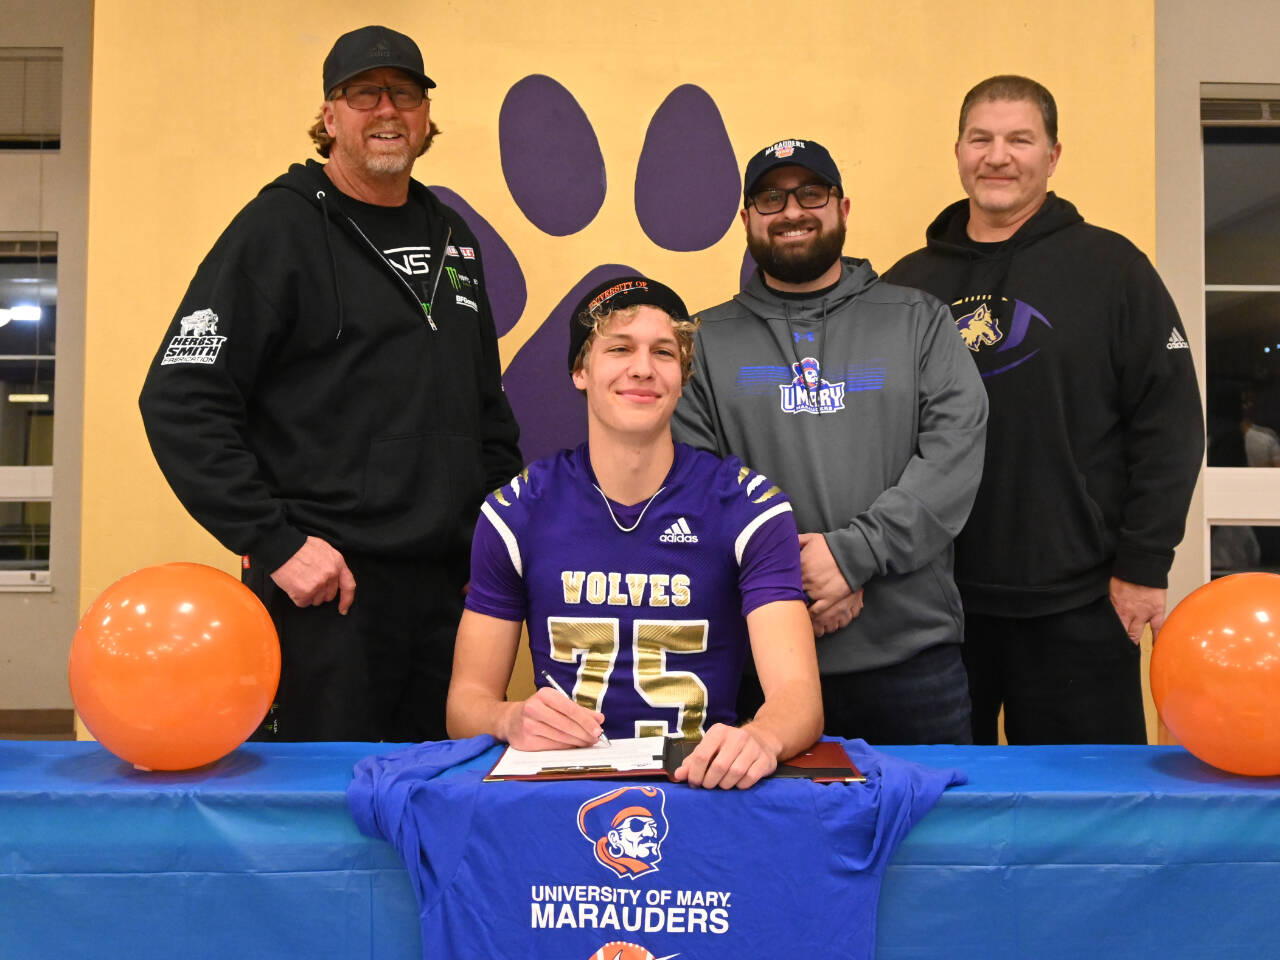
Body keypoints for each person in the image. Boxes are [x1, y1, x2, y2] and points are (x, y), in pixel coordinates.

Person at [139, 25, 522, 743]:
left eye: (405, 93)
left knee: (435, 804)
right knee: (326, 817)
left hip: (447, 597)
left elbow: (487, 414)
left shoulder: (455, 238)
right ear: (329, 115)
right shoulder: (276, 229)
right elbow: (181, 398)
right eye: (363, 93)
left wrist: (490, 543)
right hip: (327, 597)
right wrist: (275, 543)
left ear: (426, 116)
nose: (387, 110)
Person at [885, 75, 1204, 745]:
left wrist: (1144, 567)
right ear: (958, 151)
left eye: (1019, 139)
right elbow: (874, 439)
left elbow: (1169, 425)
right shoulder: (907, 286)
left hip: (1082, 602)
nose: (998, 156)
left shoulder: (1115, 270)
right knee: (940, 818)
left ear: (1053, 155)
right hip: (936, 606)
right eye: (982, 139)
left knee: (1090, 822)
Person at [446, 276, 823, 788]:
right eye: (620, 348)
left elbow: (798, 697)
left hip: (704, 784)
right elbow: (466, 702)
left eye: (664, 352)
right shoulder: (519, 510)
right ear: (581, 369)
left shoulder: (747, 508)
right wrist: (508, 719)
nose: (642, 368)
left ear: (684, 375)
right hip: (562, 784)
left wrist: (761, 737)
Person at [671, 139, 988, 746]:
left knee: (933, 842)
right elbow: (696, 485)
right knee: (772, 844)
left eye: (811, 193)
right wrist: (793, 581)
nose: (792, 210)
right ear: (746, 219)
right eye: (771, 197)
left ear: (843, 207)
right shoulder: (703, 340)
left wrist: (854, 555)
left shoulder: (919, 320)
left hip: (911, 662)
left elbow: (953, 458)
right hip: (758, 666)